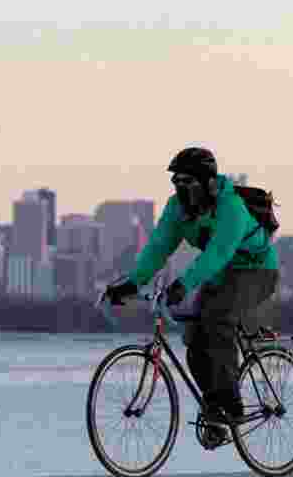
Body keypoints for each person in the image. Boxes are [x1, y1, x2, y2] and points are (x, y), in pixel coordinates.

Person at [104, 147, 279, 443]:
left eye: (188, 182)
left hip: (256, 271)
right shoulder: (177, 209)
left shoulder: (231, 207)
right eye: (177, 183)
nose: (181, 189)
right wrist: (132, 284)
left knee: (217, 319)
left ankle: (232, 403)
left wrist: (184, 285)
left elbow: (218, 252)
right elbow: (159, 247)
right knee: (196, 335)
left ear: (209, 182)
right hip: (220, 274)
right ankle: (214, 408)